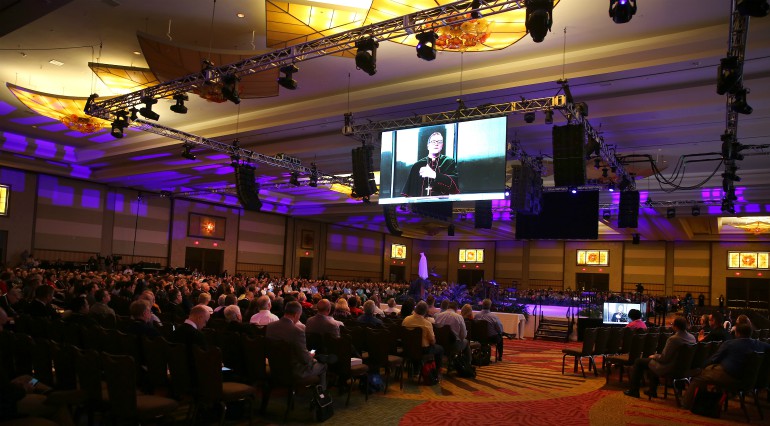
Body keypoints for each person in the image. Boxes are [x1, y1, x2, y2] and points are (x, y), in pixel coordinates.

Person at [682, 323, 770, 409]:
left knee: (698, 378)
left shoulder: (730, 344)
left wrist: (702, 367)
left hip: (732, 376)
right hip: (750, 380)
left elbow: (714, 359)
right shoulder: (760, 344)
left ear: (737, 333)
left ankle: (687, 404)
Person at [624, 316, 695, 398]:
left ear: (676, 326)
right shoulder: (692, 337)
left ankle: (634, 391)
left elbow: (664, 359)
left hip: (670, 367)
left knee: (639, 362)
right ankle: (652, 390)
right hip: (684, 367)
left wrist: (654, 356)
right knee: (649, 363)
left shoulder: (674, 339)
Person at [265, 301, 327, 389]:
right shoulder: (297, 331)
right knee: (323, 366)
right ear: (297, 314)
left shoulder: (270, 326)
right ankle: (322, 396)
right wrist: (311, 355)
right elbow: (305, 360)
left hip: (275, 368)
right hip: (294, 371)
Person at [401, 125, 459, 197]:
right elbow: (409, 193)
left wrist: (434, 175)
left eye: (439, 142)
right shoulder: (417, 165)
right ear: (428, 145)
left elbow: (454, 186)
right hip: (420, 206)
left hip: (442, 206)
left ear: (442, 145)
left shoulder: (448, 162)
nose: (436, 144)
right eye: (433, 141)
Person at [402, 301, 444, 375]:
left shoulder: (406, 320)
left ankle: (416, 370)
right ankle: (437, 372)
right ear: (425, 311)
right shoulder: (427, 324)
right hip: (422, 350)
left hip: (407, 347)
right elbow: (432, 341)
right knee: (440, 349)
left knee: (416, 347)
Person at [434, 300, 472, 365]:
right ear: (456, 309)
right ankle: (467, 365)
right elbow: (463, 335)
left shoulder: (438, 316)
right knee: (466, 342)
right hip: (453, 345)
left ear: (448, 307)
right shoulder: (458, 317)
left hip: (439, 344)